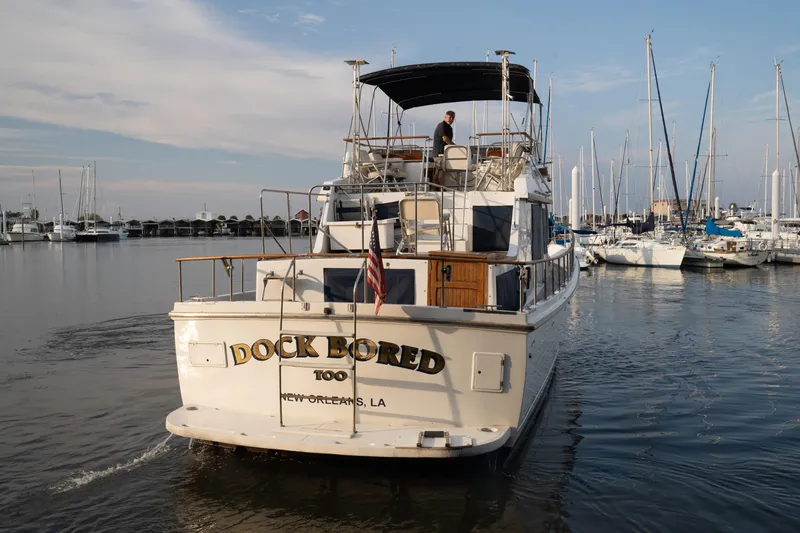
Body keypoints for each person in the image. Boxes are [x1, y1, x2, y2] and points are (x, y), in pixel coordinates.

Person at [431, 111, 455, 186]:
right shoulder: (441, 125)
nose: (451, 119)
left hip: (443, 153)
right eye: (450, 117)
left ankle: (434, 189)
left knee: (437, 172)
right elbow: (445, 138)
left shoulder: (449, 128)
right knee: (441, 172)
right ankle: (442, 190)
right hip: (439, 153)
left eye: (453, 118)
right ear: (445, 117)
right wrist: (456, 147)